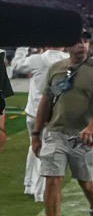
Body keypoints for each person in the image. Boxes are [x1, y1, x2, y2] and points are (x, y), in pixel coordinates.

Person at [31, 32, 93, 216]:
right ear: (68, 45)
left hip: (85, 137)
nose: (83, 45)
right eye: (78, 41)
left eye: (86, 41)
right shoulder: (56, 68)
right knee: (52, 179)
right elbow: (46, 101)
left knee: (86, 183)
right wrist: (36, 133)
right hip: (56, 133)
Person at [11, 45, 69, 201]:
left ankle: (29, 185)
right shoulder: (70, 61)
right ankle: (40, 192)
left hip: (33, 113)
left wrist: (22, 46)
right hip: (53, 115)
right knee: (47, 152)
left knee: (34, 146)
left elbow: (15, 66)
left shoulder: (37, 59)